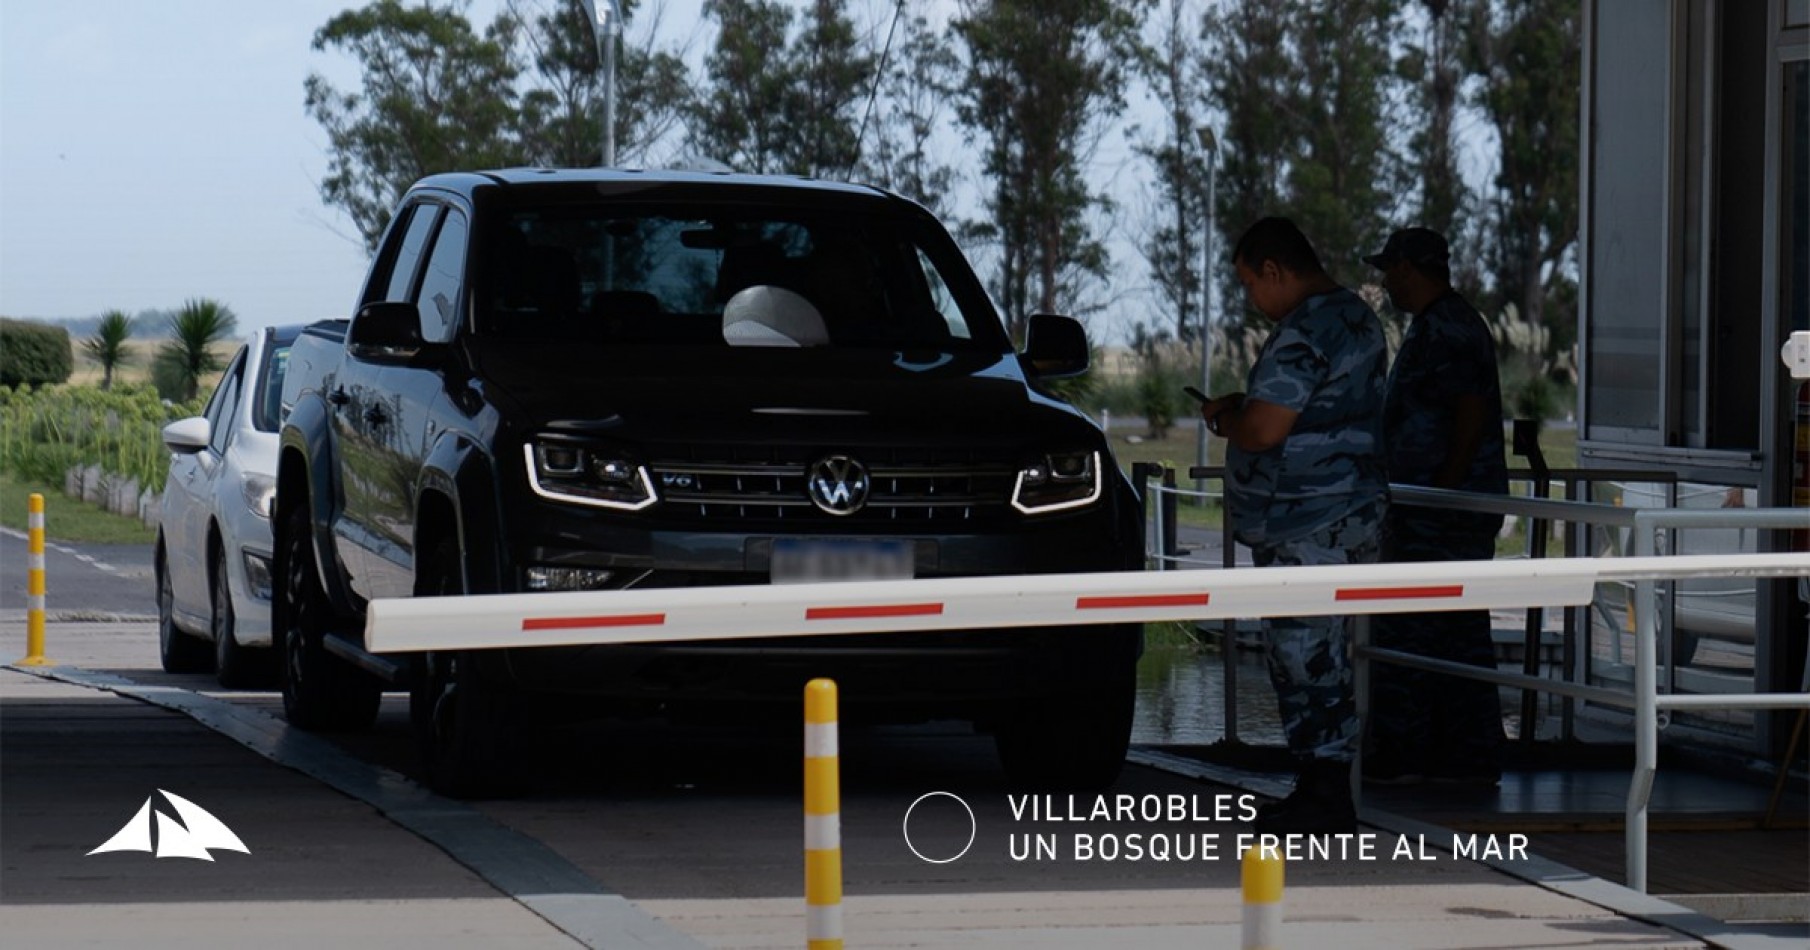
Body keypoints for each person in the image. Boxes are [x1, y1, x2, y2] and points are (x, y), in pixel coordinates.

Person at [1200, 217, 1389, 834]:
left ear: (1276, 271)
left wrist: (1230, 421)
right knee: (1325, 652)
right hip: (1353, 511)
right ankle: (1320, 786)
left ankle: (1325, 793)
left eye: (1252, 283)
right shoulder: (1360, 320)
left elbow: (1266, 429)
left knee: (1303, 654)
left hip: (1308, 518)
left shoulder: (1304, 330)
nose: (1252, 297)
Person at [1363, 227, 1510, 786]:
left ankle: (1417, 753)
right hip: (1428, 508)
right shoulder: (1436, 327)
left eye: (1389, 270)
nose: (1386, 282)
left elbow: (1469, 416)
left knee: (1420, 630)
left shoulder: (1450, 329)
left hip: (1442, 515)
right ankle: (1454, 753)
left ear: (1407, 268)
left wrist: (1443, 495)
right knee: (1441, 632)